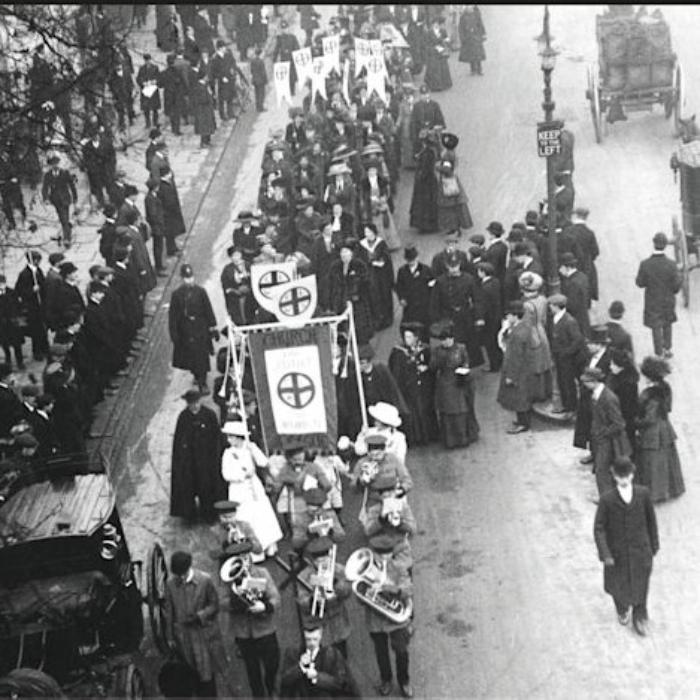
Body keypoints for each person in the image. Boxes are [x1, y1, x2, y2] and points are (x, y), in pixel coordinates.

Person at [593, 457, 659, 637]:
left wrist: (653, 545)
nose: (624, 480)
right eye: (620, 476)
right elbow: (599, 528)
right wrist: (605, 553)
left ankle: (640, 616)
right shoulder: (607, 500)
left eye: (627, 476)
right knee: (618, 585)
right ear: (614, 476)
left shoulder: (643, 494)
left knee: (641, 583)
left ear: (633, 473)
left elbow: (650, 520)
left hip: (640, 550)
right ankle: (621, 608)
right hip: (617, 554)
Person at [164, 550, 229, 698]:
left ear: (189, 568)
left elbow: (215, 604)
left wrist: (200, 616)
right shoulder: (170, 585)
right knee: (189, 673)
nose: (180, 577)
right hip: (183, 638)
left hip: (203, 636)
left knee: (206, 674)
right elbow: (169, 612)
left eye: (183, 574)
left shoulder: (205, 580)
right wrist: (170, 637)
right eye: (177, 575)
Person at [224, 541, 281, 698]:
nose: (244, 562)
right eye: (240, 559)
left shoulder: (261, 573)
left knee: (272, 664)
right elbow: (221, 603)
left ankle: (272, 689)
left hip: (265, 629)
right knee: (252, 671)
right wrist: (237, 598)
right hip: (244, 633)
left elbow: (275, 597)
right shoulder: (229, 579)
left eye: (246, 557)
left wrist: (265, 606)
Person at [220, 420, 282, 557]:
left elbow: (263, 462)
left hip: (254, 487)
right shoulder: (228, 453)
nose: (229, 439)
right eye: (228, 436)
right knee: (244, 518)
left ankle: (269, 544)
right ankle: (252, 551)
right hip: (238, 490)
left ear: (238, 436)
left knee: (261, 514)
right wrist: (242, 475)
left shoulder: (250, 447)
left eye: (231, 436)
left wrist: (253, 449)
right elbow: (226, 474)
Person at [364, 533, 414, 698]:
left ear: (391, 553)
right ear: (374, 554)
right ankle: (386, 680)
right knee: (381, 652)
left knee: (401, 651)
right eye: (379, 554)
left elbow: (408, 590)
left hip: (396, 620)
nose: (383, 558)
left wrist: (388, 588)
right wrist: (368, 593)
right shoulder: (367, 571)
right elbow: (360, 598)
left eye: (387, 554)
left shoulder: (399, 568)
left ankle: (404, 681)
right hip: (376, 620)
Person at [634, 356, 685, 503]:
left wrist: (635, 423)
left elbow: (649, 419)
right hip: (664, 427)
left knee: (653, 462)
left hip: (652, 432)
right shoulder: (666, 388)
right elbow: (668, 408)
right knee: (667, 459)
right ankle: (673, 488)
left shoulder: (649, 394)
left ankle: (656, 494)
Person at [170, 389, 225, 521]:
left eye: (196, 402)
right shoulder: (183, 417)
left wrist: (216, 456)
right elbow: (179, 441)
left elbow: (216, 437)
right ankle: (190, 514)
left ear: (200, 401)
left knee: (207, 486)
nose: (194, 406)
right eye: (191, 403)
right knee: (188, 486)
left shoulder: (209, 415)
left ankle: (209, 513)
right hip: (190, 461)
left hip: (206, 459)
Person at [580, 367, 631, 498]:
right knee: (603, 470)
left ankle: (606, 499)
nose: (585, 384)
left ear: (594, 381)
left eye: (587, 382)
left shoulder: (608, 398)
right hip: (601, 439)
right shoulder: (597, 394)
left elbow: (619, 423)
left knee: (601, 470)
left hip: (608, 440)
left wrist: (603, 433)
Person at [169, 264, 219, 394]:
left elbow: (208, 309)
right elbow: (173, 316)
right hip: (186, 329)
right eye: (186, 278)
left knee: (202, 355)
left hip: (200, 327)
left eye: (191, 277)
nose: (189, 280)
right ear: (182, 279)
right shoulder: (177, 295)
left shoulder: (200, 291)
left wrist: (213, 326)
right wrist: (174, 335)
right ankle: (197, 375)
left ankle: (203, 382)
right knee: (191, 357)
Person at [429, 320, 479, 448]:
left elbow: (466, 361)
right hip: (445, 383)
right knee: (448, 412)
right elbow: (433, 367)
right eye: (443, 340)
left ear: (452, 339)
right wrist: (438, 361)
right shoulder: (437, 351)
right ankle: (450, 440)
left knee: (462, 409)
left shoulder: (460, 348)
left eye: (447, 339)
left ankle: (464, 437)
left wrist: (464, 369)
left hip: (460, 382)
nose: (445, 342)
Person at [388, 323, 438, 446]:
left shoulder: (425, 349)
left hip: (423, 386)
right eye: (406, 337)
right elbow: (395, 370)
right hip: (407, 386)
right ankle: (414, 437)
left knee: (425, 409)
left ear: (416, 338)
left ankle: (429, 435)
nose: (407, 340)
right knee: (412, 411)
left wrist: (426, 368)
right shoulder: (398, 351)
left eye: (410, 337)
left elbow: (433, 366)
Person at [280, 620, 357, 698]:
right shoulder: (293, 653)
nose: (312, 643)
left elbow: (341, 684)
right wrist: (300, 667)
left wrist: (317, 677)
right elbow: (283, 681)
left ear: (320, 637)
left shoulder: (332, 654)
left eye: (315, 639)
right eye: (308, 639)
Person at [635, 232, 682, 358]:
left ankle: (658, 352)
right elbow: (677, 283)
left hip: (652, 299)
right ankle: (667, 348)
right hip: (668, 299)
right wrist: (673, 291)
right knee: (667, 323)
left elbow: (640, 283)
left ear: (654, 244)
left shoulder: (645, 264)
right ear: (665, 245)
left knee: (656, 326)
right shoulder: (671, 264)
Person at [497, 300, 540, 433]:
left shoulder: (517, 333)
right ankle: (522, 421)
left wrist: (511, 376)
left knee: (519, 398)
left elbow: (515, 357)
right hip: (525, 369)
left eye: (509, 315)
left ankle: (523, 423)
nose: (507, 318)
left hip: (518, 371)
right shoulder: (524, 327)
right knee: (522, 396)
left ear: (515, 315)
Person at [327, 241, 375, 345]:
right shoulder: (335, 266)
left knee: (358, 325)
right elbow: (331, 284)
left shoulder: (359, 265)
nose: (343, 255)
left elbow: (366, 282)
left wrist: (356, 293)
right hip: (339, 301)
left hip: (356, 301)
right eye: (342, 252)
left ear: (351, 253)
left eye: (346, 252)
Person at [548, 294, 586, 416]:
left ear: (556, 306)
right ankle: (566, 405)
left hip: (568, 359)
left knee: (568, 383)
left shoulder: (569, 321)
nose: (549, 308)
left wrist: (566, 353)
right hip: (559, 357)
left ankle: (571, 408)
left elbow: (578, 340)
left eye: (551, 305)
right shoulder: (556, 318)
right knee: (561, 381)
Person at [358, 222, 394, 331]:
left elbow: (386, 258)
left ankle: (386, 319)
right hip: (369, 274)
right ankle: (376, 320)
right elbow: (359, 259)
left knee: (384, 294)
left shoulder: (381, 243)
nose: (367, 234)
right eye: (365, 232)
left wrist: (380, 260)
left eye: (369, 231)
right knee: (372, 296)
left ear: (374, 232)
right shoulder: (361, 245)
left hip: (381, 274)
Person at [395, 246, 434, 332]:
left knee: (424, 328)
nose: (411, 262)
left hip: (423, 304)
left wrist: (431, 301)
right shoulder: (402, 271)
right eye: (409, 260)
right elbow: (399, 286)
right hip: (409, 305)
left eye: (413, 259)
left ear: (417, 258)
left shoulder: (425, 269)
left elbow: (432, 285)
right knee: (411, 329)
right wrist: (401, 298)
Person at [42, 155, 78, 248]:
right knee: (63, 219)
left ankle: (67, 239)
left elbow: (72, 186)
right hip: (56, 200)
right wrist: (45, 198)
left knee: (64, 218)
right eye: (53, 164)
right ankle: (67, 235)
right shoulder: (48, 175)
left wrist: (75, 198)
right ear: (50, 165)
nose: (55, 165)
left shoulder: (65, 173)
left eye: (56, 163)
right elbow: (45, 187)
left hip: (66, 198)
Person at [606, 348, 639, 448]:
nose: (610, 367)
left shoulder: (627, 384)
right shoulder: (618, 376)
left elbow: (626, 406)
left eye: (613, 364)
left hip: (624, 418)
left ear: (621, 367)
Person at [475, 262, 503, 372]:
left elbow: (483, 305)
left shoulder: (484, 288)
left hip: (489, 320)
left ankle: (494, 366)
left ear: (483, 272)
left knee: (489, 344)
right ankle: (499, 361)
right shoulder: (496, 282)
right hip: (497, 316)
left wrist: (480, 318)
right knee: (496, 342)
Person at [435, 159, 473, 233]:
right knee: (454, 210)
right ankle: (455, 227)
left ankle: (454, 228)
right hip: (452, 190)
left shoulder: (446, 163)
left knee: (450, 210)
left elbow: (446, 170)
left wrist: (437, 166)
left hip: (448, 190)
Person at [559, 253, 591, 338]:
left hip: (576, 322)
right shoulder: (582, 276)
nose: (560, 270)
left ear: (568, 267)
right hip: (584, 318)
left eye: (561, 267)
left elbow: (571, 306)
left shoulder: (571, 283)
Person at [0, 275, 25, 369]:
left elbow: (18, 306)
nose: (1, 286)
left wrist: (17, 317)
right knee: (4, 343)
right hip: (2, 324)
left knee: (17, 344)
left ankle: (20, 361)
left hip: (13, 322)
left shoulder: (12, 292)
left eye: (2, 283)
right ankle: (8, 359)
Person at [423, 17, 452, 91]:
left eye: (437, 24)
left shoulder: (443, 31)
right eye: (434, 24)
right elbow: (427, 44)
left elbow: (447, 40)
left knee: (443, 68)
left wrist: (445, 42)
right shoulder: (429, 33)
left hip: (441, 52)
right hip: (433, 53)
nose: (436, 26)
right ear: (432, 25)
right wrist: (433, 48)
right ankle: (435, 86)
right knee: (434, 69)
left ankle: (444, 84)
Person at [458, 5, 486, 75]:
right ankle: (473, 70)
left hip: (476, 37)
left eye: (470, 6)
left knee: (478, 54)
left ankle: (479, 69)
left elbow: (480, 25)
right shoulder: (463, 17)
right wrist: (462, 38)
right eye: (468, 7)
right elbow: (460, 28)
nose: (469, 8)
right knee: (471, 55)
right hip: (468, 38)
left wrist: (483, 34)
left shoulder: (476, 15)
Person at [137, 53, 161, 128]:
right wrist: (143, 83)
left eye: (149, 60)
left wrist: (155, 81)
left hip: (153, 89)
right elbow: (138, 78)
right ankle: (148, 123)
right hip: (145, 90)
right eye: (146, 60)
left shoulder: (155, 68)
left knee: (155, 108)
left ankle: (155, 122)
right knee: (146, 108)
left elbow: (159, 77)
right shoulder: (141, 68)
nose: (148, 62)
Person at [250, 47, 268, 112]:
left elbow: (251, 71)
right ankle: (261, 108)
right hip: (261, 80)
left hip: (255, 80)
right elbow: (263, 72)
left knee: (257, 94)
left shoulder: (252, 61)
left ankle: (257, 107)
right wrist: (266, 80)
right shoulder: (261, 61)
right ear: (260, 54)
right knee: (261, 94)